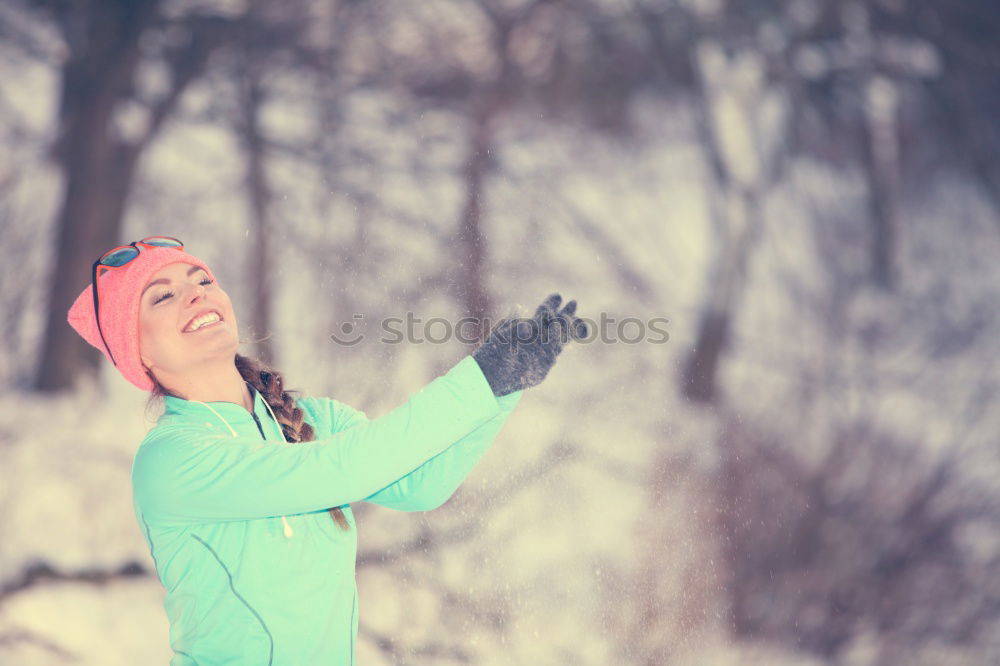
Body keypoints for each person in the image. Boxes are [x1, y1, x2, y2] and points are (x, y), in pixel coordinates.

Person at [66, 237, 588, 665]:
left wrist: (503, 388)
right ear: (138, 353)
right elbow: (341, 468)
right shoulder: (172, 460)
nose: (197, 295)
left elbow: (420, 484)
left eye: (202, 280)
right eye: (162, 296)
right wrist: (476, 381)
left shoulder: (310, 419)